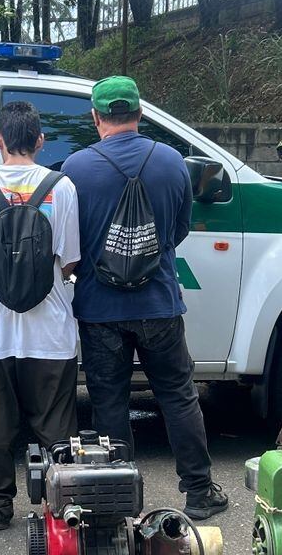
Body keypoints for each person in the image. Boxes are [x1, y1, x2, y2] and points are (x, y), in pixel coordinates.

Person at [61, 75, 229, 520]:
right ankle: (198, 491)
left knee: (109, 401)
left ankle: (118, 497)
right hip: (159, 303)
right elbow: (177, 232)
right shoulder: (172, 162)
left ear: (96, 118)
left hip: (100, 309)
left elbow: (72, 247)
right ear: (138, 114)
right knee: (177, 394)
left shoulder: (75, 169)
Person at [0, 101, 81, 530]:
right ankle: (61, 507)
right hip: (50, 331)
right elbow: (69, 260)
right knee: (55, 426)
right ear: (40, 141)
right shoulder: (61, 186)